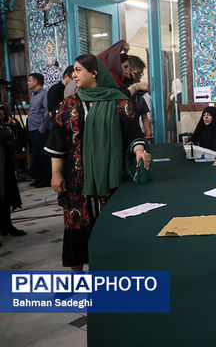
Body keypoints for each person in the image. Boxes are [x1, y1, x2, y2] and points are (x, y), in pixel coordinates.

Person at [44, 54, 151, 270]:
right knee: (76, 227)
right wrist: (56, 174)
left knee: (108, 230)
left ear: (94, 73)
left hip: (111, 182)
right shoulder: (68, 105)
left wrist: (140, 150)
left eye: (78, 70)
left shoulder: (120, 103)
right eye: (73, 70)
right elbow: (57, 142)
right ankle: (76, 279)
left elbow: (132, 134)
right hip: (76, 181)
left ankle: (108, 276)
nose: (74, 74)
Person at [0, 105, 26, 241]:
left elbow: (15, 138)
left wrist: (12, 124)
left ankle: (7, 225)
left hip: (5, 160)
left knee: (7, 192)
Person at [26, 73, 51, 187]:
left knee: (42, 155)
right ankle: (38, 178)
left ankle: (45, 179)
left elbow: (47, 111)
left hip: (39, 129)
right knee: (35, 155)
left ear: (36, 82)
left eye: (29, 80)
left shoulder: (43, 94)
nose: (27, 83)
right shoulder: (34, 95)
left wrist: (42, 126)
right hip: (32, 128)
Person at [127, 55, 152, 139]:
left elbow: (144, 115)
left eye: (140, 74)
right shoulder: (122, 91)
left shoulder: (139, 95)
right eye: (136, 74)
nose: (138, 78)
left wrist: (147, 130)